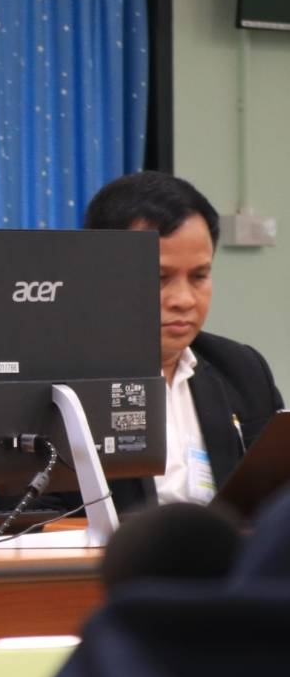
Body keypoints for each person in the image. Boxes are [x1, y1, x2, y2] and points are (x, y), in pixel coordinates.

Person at [83, 170, 283, 512]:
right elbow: (29, 511)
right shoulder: (57, 382)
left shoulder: (242, 369)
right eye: (160, 278)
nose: (184, 300)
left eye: (199, 276)